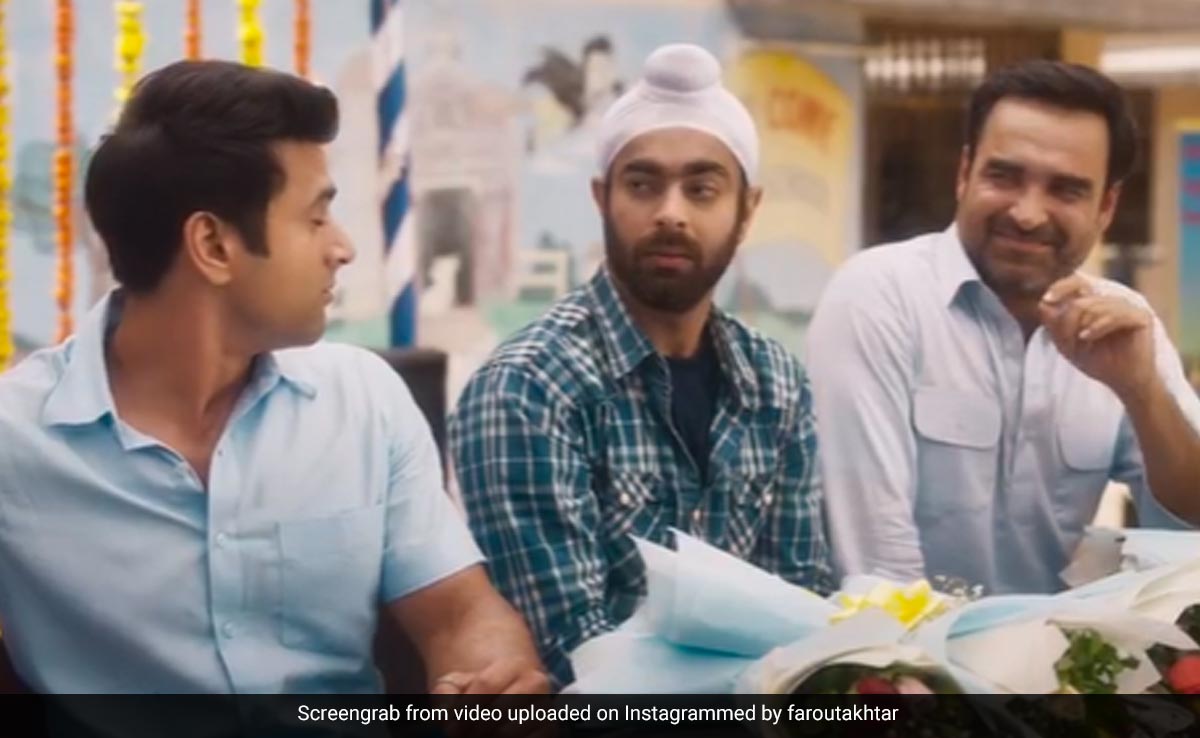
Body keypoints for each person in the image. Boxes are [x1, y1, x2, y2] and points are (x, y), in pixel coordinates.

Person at [0, 60, 547, 697]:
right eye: (315, 218)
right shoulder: (17, 440)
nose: (343, 248)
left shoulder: (363, 401)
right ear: (213, 245)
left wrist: (494, 681)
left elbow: (459, 614)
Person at [449, 43, 832, 686]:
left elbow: (804, 606)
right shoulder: (529, 386)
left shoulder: (777, 383)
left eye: (702, 189)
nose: (670, 212)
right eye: (643, 185)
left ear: (748, 210)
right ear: (602, 198)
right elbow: (576, 654)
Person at [808, 60, 1200, 595]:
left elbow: (1190, 529)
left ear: (1106, 206)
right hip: (897, 643)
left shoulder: (1122, 322)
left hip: (1057, 648)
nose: (1028, 214)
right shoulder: (880, 296)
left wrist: (1141, 392)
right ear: (964, 173)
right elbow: (878, 567)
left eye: (1066, 190)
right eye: (1004, 177)